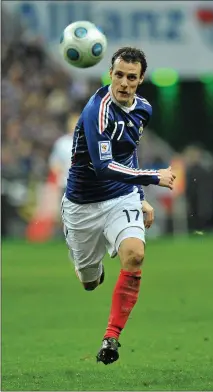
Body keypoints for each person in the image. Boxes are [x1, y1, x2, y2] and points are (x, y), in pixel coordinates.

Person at [61, 47, 176, 365]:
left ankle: (111, 337)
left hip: (120, 197)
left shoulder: (144, 110)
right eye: (119, 75)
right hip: (82, 205)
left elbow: (128, 153)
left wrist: (139, 197)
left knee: (135, 255)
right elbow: (103, 165)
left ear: (141, 80)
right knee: (88, 282)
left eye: (132, 77)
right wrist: (153, 177)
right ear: (110, 74)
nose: (124, 82)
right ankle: (90, 270)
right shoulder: (96, 110)